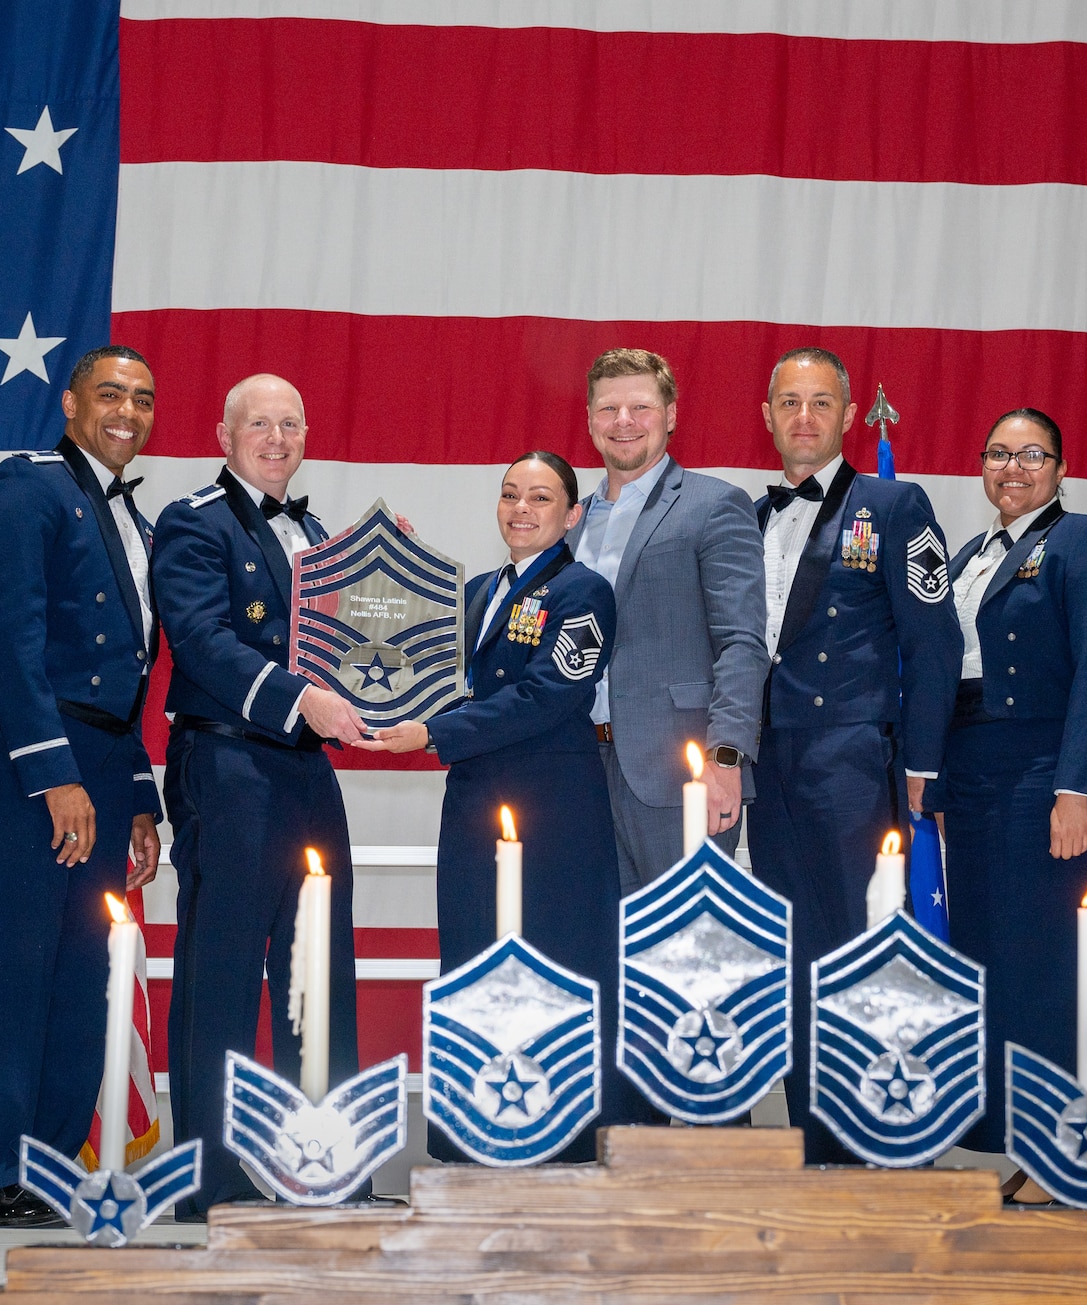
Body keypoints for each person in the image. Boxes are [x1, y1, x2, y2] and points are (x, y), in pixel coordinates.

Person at [358, 452, 633, 1161]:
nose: (520, 508)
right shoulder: (477, 590)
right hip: (476, 802)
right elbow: (418, 659)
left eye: (541, 497)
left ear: (573, 514)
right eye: (510, 493)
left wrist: (434, 733)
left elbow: (548, 694)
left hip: (554, 810)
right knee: (473, 960)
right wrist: (395, 573)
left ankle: (563, 1138)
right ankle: (472, 1132)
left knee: (556, 965)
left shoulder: (585, 590)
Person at [0, 348, 166, 1225]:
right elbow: (3, 635)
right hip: (42, 752)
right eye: (110, 394)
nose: (127, 411)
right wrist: (53, 775)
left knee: (86, 969)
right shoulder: (29, 484)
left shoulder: (136, 519)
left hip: (109, 760)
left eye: (144, 399)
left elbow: (131, 674)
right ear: (72, 401)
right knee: (22, 962)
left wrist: (143, 794)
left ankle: (45, 1167)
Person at [153, 374, 367, 1217]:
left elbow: (354, 641)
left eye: (290, 421)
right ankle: (215, 1176)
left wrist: (391, 579)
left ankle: (329, 1166)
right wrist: (296, 698)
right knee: (225, 971)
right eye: (259, 424)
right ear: (223, 432)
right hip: (230, 763)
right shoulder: (193, 521)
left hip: (308, 767)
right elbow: (201, 641)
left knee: (321, 964)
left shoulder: (316, 533)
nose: (276, 437)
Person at [747, 348, 962, 1162]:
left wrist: (923, 767)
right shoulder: (752, 515)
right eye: (789, 402)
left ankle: (885, 1135)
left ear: (845, 416)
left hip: (850, 760)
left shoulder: (895, 503)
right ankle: (816, 1137)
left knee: (862, 948)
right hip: (771, 765)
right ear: (767, 416)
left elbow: (934, 644)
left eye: (821, 402)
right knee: (795, 951)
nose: (804, 417)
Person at [923, 409, 1087, 1201]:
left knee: (1057, 957)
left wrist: (1076, 784)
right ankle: (1022, 1133)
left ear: (1061, 463)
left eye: (1032, 454)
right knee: (996, 957)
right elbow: (943, 678)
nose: (1013, 468)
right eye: (998, 454)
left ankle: (1078, 1148)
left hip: (1047, 768)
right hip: (975, 773)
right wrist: (938, 786)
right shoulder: (969, 554)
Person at [570, 348, 769, 884]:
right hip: (576, 773)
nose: (624, 422)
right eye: (609, 409)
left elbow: (743, 644)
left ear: (671, 415)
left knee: (679, 954)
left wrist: (725, 758)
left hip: (680, 774)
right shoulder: (568, 523)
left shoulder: (715, 504)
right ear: (590, 420)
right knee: (598, 956)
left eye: (640, 407)